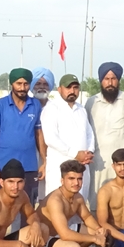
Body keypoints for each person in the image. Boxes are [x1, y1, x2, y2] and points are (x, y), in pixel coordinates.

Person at [36, 160, 109, 247]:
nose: (76, 183)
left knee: (96, 232)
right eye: (71, 179)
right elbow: (65, 234)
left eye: (79, 179)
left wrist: (98, 230)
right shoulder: (55, 200)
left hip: (58, 235)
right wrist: (95, 239)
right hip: (42, 242)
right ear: (62, 180)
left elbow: (87, 217)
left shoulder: (77, 197)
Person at [0, 68, 47, 204]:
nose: (22, 88)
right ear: (11, 84)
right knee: (3, 207)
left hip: (29, 166)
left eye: (26, 84)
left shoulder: (35, 105)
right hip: (4, 165)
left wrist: (44, 162)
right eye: (18, 84)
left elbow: (38, 134)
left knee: (27, 206)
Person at [87, 62, 124, 196]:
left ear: (118, 80)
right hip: (98, 163)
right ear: (101, 81)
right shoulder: (91, 102)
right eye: (106, 79)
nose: (110, 83)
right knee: (97, 199)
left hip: (123, 162)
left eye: (113, 79)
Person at [42, 74, 95, 202]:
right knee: (59, 204)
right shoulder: (51, 108)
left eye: (75, 87)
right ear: (59, 89)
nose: (72, 91)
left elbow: (89, 134)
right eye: (68, 87)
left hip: (81, 166)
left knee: (79, 203)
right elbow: (50, 138)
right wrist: (75, 154)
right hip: (60, 166)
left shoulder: (81, 109)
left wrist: (89, 152)